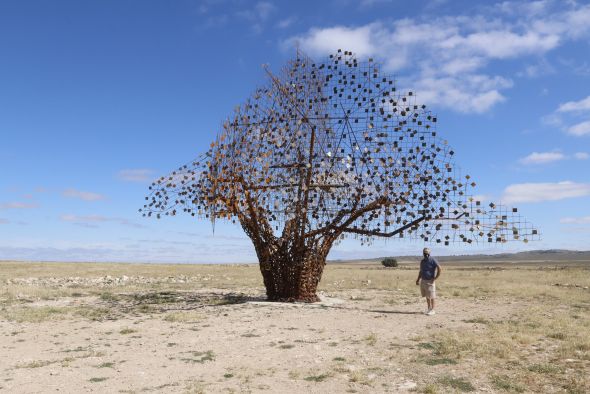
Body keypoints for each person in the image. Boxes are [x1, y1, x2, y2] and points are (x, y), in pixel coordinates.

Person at [415, 247, 441, 316]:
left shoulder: (433, 260)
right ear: (423, 253)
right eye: (425, 253)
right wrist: (418, 279)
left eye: (427, 253)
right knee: (427, 295)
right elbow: (421, 271)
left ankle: (433, 309)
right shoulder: (422, 261)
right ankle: (429, 308)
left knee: (432, 296)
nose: (426, 255)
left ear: (429, 253)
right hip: (423, 280)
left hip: (430, 281)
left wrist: (435, 278)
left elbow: (439, 268)